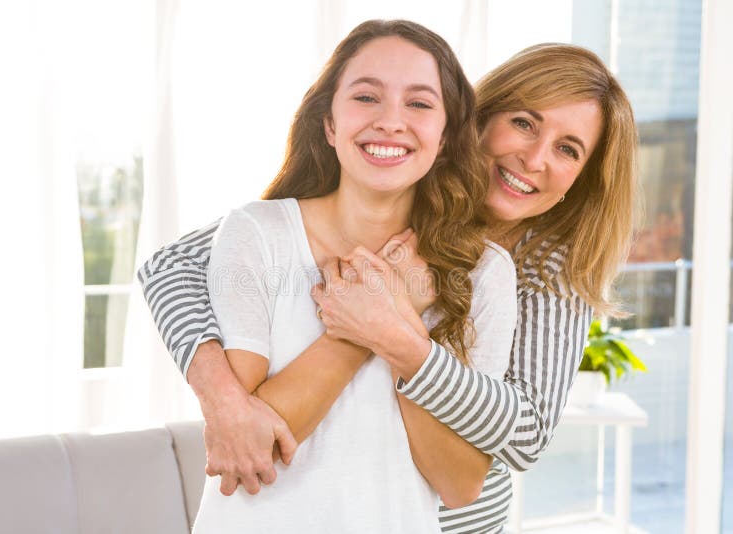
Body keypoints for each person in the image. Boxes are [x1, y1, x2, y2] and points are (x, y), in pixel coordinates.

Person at [138, 36, 638, 534]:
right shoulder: (379, 191)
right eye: (524, 123)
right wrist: (222, 398)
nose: (534, 159)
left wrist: (395, 332)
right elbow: (170, 266)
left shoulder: (543, 269)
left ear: (583, 179)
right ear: (474, 122)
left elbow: (523, 437)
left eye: (567, 150)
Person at [176, 19, 517, 533]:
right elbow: (252, 448)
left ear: (445, 138)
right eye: (366, 97)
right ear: (329, 124)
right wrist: (374, 322)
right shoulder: (258, 232)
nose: (390, 121)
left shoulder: (484, 270)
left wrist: (396, 331)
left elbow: (461, 484)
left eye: (420, 104)